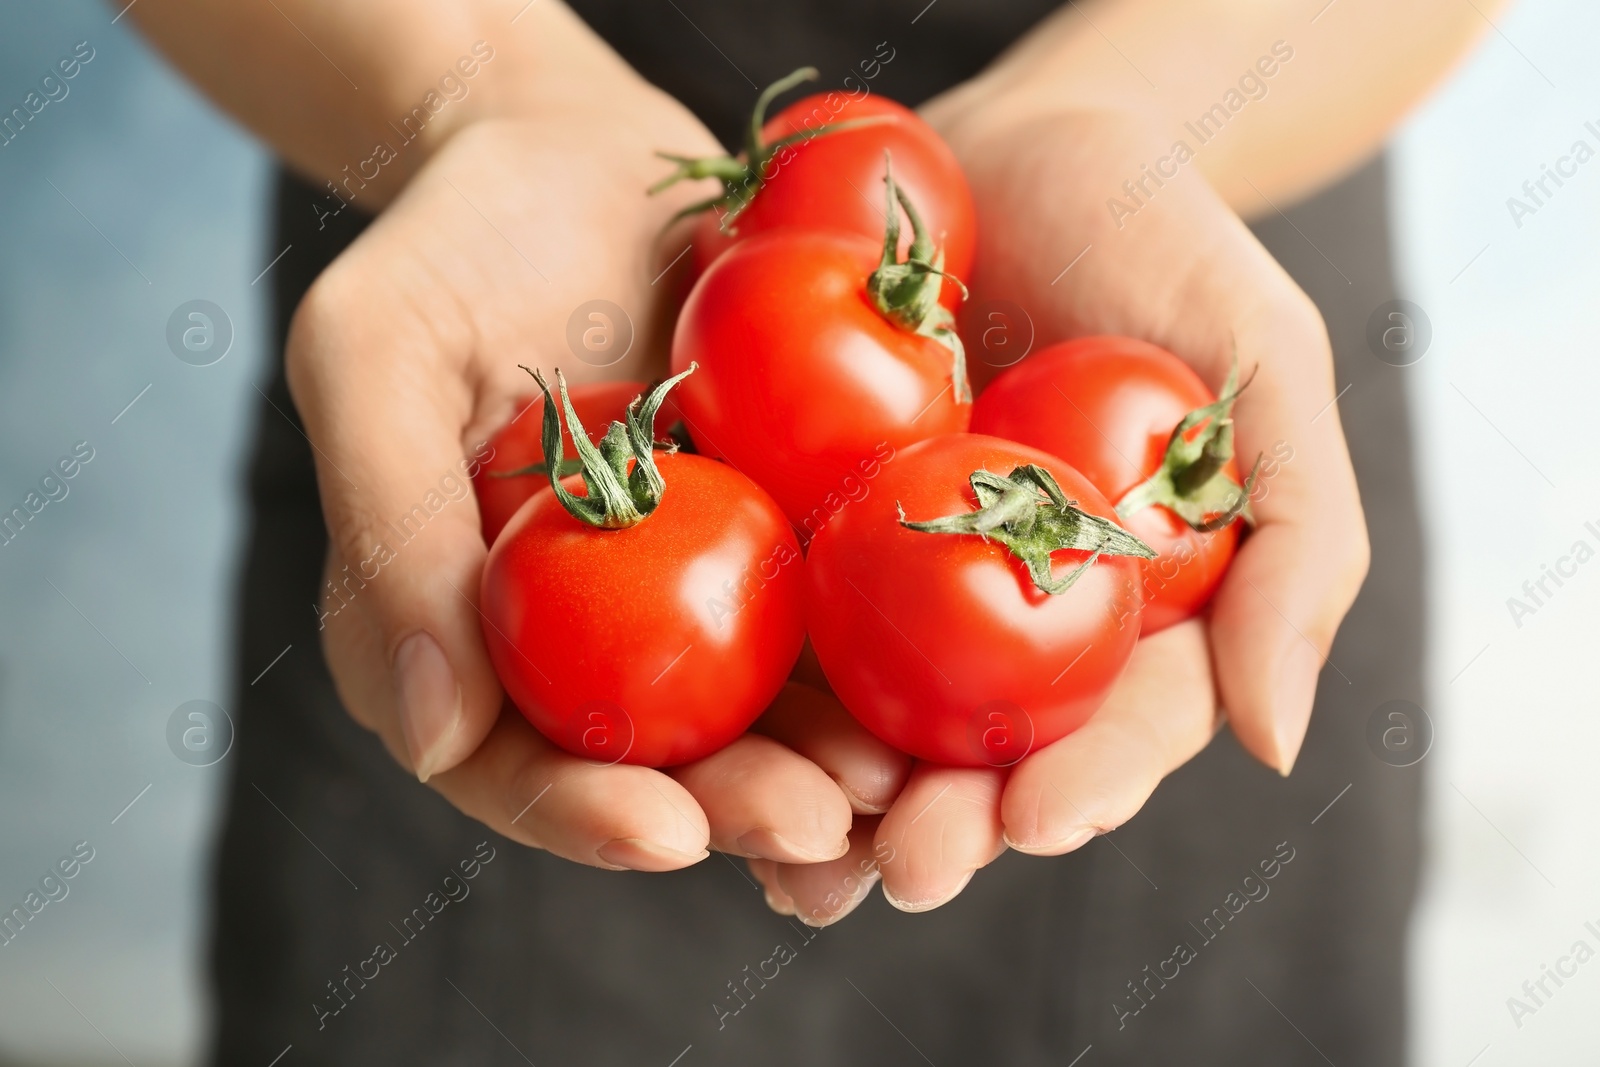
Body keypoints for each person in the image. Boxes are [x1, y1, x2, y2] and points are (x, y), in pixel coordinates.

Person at [126, 1, 1493, 1062]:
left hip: (1178, 236)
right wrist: (483, 94)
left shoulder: (1099, 433)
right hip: (483, 319)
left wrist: (1120, 108)